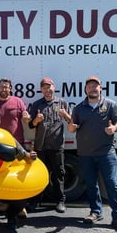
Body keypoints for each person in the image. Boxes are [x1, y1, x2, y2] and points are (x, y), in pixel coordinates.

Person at [67, 75, 117, 233]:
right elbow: (72, 127)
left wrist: (114, 128)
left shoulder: (110, 105)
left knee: (112, 185)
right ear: (86, 89)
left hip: (106, 152)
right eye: (89, 86)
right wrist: (71, 127)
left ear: (100, 88)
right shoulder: (79, 108)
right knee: (91, 185)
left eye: (95, 86)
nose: (92, 88)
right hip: (85, 153)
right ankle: (96, 212)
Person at [0, 78, 30, 217]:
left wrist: (26, 117)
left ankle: (21, 206)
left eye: (6, 87)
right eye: (2, 87)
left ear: (10, 88)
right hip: (0, 146)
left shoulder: (18, 101)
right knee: (2, 176)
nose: (4, 89)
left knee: (19, 177)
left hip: (17, 145)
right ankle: (4, 202)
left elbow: (25, 117)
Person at [28, 77, 70, 213]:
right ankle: (36, 200)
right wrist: (37, 120)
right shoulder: (36, 104)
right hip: (41, 146)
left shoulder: (62, 102)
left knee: (59, 174)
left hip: (57, 146)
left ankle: (60, 201)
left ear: (54, 87)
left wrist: (65, 115)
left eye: (49, 86)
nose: (47, 89)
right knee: (39, 175)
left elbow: (71, 122)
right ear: (41, 90)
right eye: (44, 87)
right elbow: (30, 125)